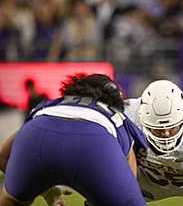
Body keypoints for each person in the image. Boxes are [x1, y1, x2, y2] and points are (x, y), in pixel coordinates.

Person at [0, 73, 148, 206]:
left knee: (12, 201)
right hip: (96, 141)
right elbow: (128, 181)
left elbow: (3, 156)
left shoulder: (51, 105)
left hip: (37, 134)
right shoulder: (117, 117)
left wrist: (42, 188)